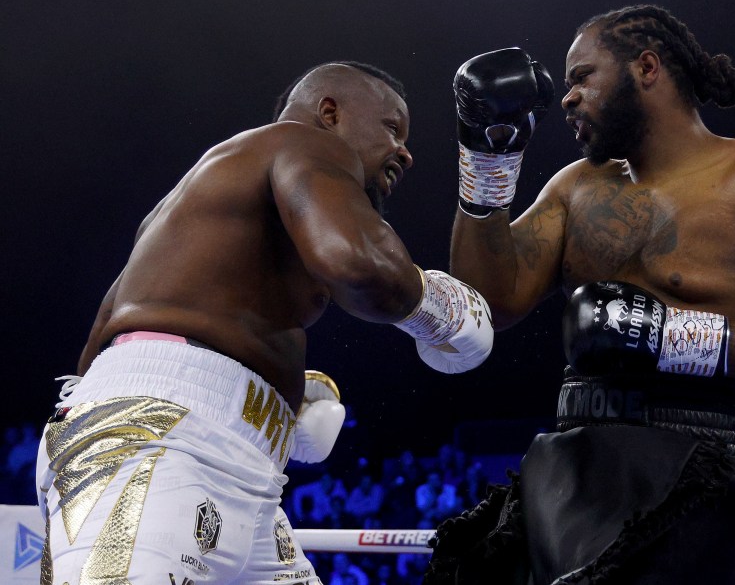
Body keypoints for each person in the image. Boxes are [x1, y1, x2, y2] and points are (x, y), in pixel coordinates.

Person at [424, 3, 735, 585]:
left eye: (582, 76)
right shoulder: (577, 188)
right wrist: (487, 158)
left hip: (716, 483)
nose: (566, 98)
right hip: (577, 480)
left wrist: (675, 338)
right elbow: (486, 305)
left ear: (646, 67)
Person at [35, 61, 495, 584]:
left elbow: (112, 346)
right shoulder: (304, 143)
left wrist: (276, 406)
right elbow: (358, 263)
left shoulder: (209, 203)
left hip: (219, 462)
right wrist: (441, 308)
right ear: (329, 113)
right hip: (158, 445)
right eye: (393, 128)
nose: (405, 152)